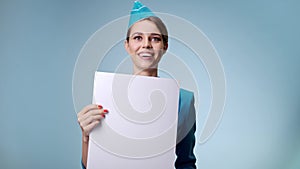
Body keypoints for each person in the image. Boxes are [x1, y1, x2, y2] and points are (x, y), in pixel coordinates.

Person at [77, 1, 197, 168]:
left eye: (155, 38)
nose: (146, 44)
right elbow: (92, 166)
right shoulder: (107, 95)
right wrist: (86, 138)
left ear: (165, 46)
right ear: (127, 45)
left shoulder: (183, 100)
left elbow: (186, 163)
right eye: (138, 37)